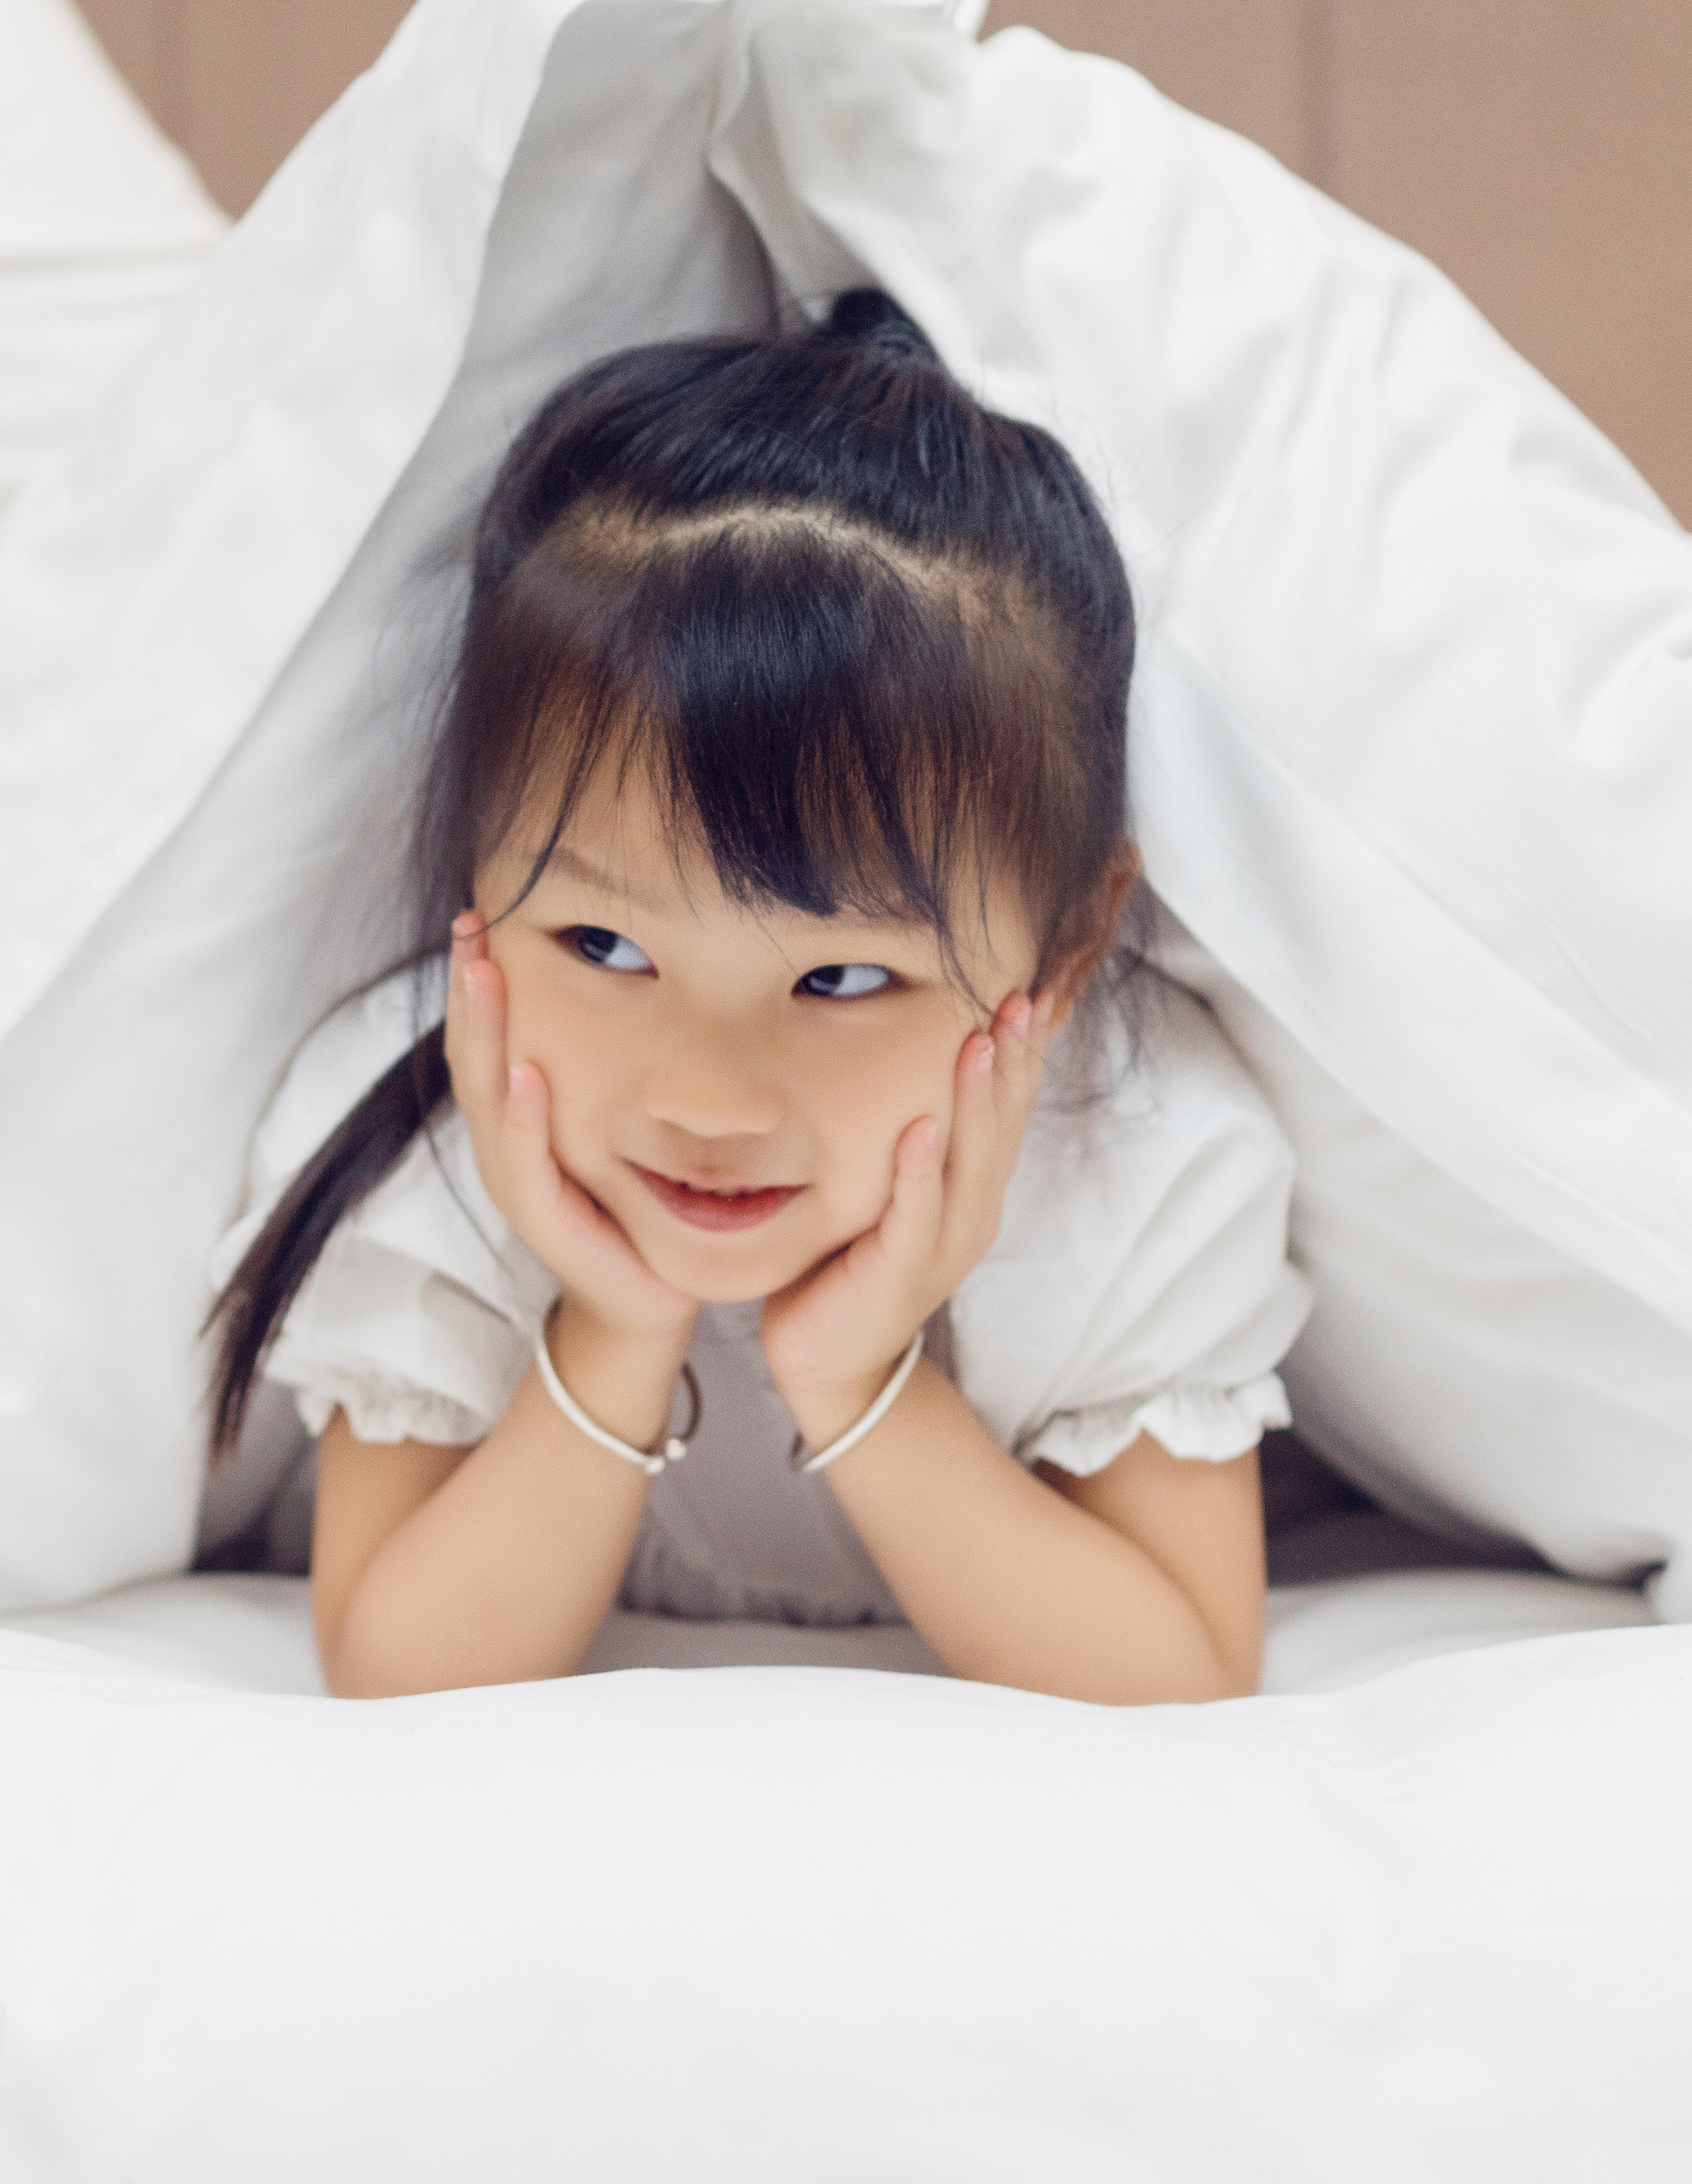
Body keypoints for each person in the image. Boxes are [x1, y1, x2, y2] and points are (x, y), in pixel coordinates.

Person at [209, 291, 1310, 1702]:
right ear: (475, 887)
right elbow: (399, 1667)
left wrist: (859, 1377)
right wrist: (615, 1323)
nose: (703, 1098)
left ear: (1069, 947)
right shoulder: (435, 1142)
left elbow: (1184, 1672)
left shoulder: (1135, 1163)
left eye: (842, 976)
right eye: (603, 947)